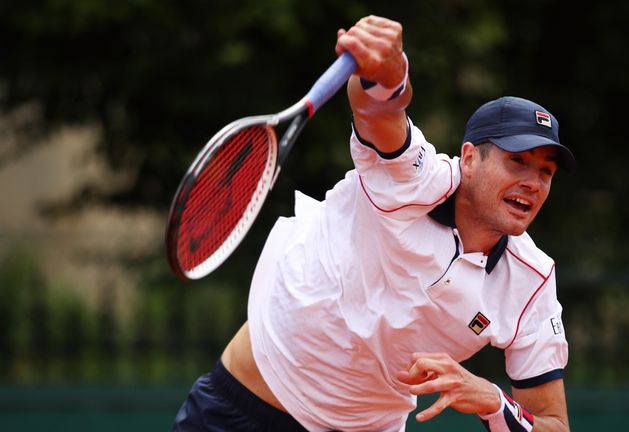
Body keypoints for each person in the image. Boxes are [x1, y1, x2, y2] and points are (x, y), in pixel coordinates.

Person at [174, 15, 575, 432]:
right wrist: (389, 75)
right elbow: (378, 110)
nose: (532, 183)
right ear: (470, 159)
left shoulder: (532, 281)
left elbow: (554, 425)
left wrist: (495, 402)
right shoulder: (412, 178)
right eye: (518, 162)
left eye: (545, 172)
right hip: (243, 409)